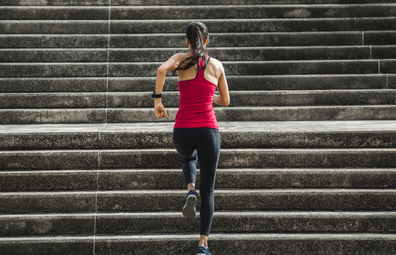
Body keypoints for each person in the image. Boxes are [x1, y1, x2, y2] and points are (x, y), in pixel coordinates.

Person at [153, 21, 230, 255]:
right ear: (207, 41)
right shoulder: (216, 66)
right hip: (208, 131)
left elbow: (160, 70)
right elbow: (225, 101)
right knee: (209, 190)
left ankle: (189, 189)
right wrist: (208, 97)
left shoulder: (180, 59)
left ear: (187, 41)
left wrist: (158, 101)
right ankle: (203, 244)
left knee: (188, 156)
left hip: (183, 131)